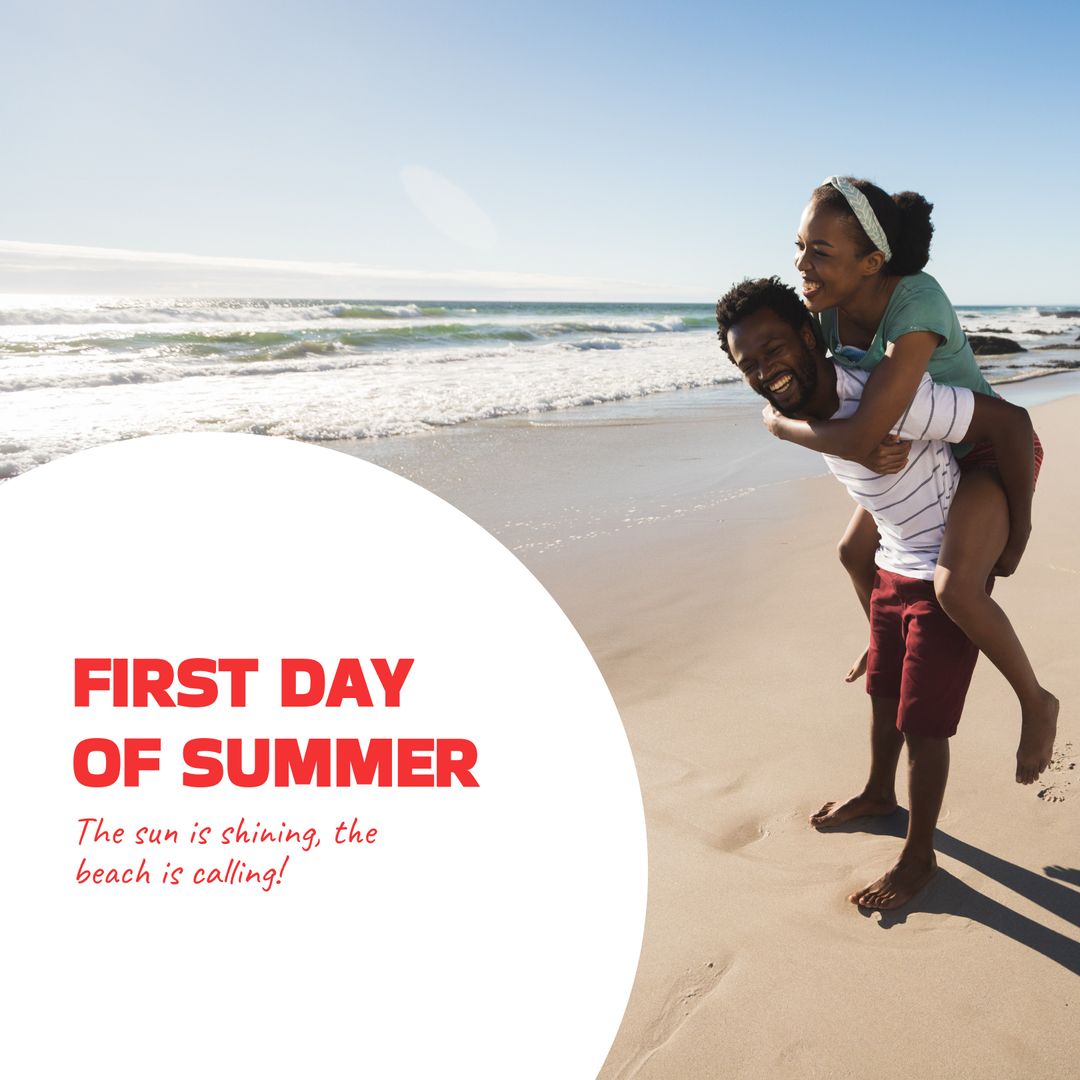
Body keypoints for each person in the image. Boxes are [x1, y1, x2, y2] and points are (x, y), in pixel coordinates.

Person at [715, 275, 1044, 910]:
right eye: (747, 363)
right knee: (883, 693)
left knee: (924, 726)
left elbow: (1010, 424)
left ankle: (921, 857)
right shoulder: (795, 409)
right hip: (892, 556)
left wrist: (1017, 534)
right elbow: (835, 444)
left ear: (808, 335)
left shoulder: (889, 397)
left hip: (943, 565)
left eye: (773, 349)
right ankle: (877, 792)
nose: (763, 370)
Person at [763, 176, 1056, 785]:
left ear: (871, 262)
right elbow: (822, 391)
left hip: (988, 450)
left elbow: (857, 436)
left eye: (820, 251)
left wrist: (1020, 529)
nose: (802, 264)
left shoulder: (915, 306)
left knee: (955, 588)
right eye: (799, 246)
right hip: (930, 449)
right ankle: (883, 638)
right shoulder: (828, 311)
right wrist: (818, 423)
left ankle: (1035, 701)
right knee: (853, 552)